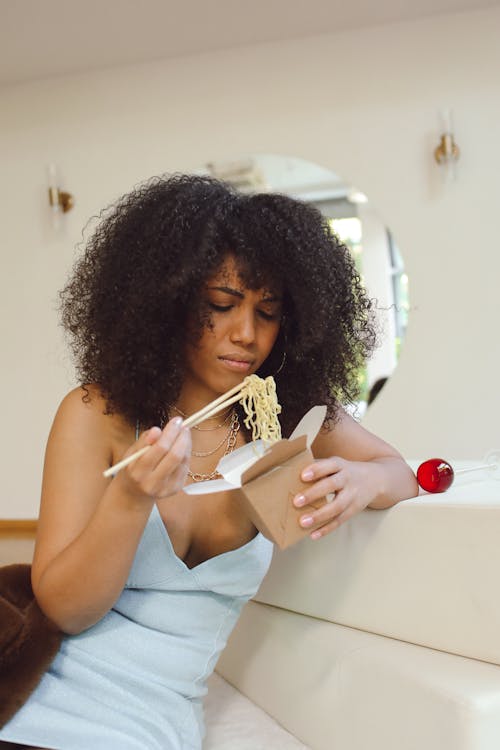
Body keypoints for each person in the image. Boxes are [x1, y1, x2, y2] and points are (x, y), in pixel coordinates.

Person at [0, 174, 418, 750]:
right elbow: (66, 611)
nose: (245, 334)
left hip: (153, 728)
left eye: (268, 313)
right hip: (37, 707)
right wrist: (129, 499)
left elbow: (400, 473)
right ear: (167, 302)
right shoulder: (96, 414)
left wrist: (364, 479)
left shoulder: (288, 419)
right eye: (220, 305)